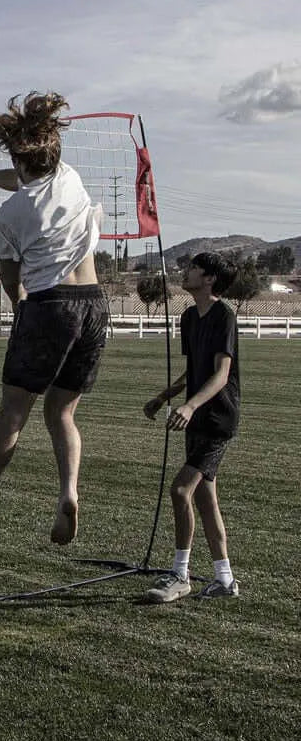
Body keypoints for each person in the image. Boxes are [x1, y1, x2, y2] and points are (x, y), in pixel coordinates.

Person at [0, 91, 107, 544]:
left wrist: (21, 315)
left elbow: (13, 285)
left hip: (49, 306)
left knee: (12, 415)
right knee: (62, 413)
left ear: (17, 156)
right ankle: (68, 491)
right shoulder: (71, 178)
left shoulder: (10, 214)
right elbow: (24, 177)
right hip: (93, 303)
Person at [142, 252, 240, 602]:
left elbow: (220, 374)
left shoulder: (223, 316)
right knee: (204, 497)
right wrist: (164, 396)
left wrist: (190, 405)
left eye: (195, 268)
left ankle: (179, 575)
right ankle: (225, 580)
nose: (187, 271)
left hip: (217, 419)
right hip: (197, 417)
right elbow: (195, 369)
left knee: (181, 490)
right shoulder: (188, 317)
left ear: (210, 278)